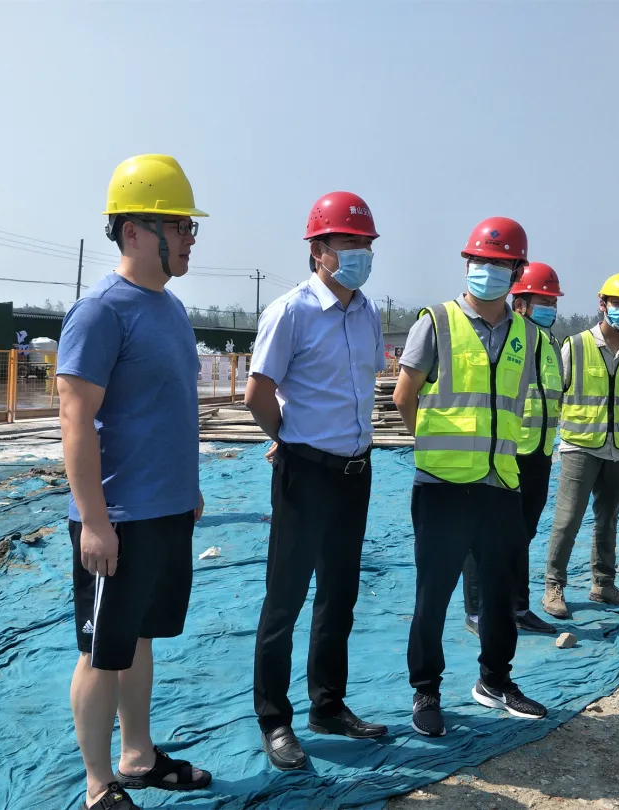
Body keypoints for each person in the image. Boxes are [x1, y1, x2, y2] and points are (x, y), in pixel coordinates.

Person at [57, 154, 211, 810]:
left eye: (190, 227)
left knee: (139, 637)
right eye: (179, 226)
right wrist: (94, 521)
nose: (189, 238)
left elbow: (169, 407)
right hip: (116, 518)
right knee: (101, 651)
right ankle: (100, 785)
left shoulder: (170, 310)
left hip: (165, 513)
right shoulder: (101, 312)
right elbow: (75, 418)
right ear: (134, 232)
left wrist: (187, 490)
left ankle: (138, 756)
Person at [246, 191, 388, 771]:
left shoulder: (368, 312)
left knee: (339, 594)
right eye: (348, 242)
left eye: (366, 244)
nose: (360, 253)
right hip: (305, 473)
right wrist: (287, 439)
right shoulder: (291, 312)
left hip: (355, 472)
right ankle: (274, 719)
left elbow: (362, 385)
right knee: (285, 597)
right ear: (318, 250)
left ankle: (328, 705)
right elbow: (258, 393)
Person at [393, 216, 549, 738]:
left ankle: (495, 681)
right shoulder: (436, 322)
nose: (490, 271)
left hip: (500, 483)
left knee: (500, 594)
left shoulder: (528, 336)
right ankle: (426, 691)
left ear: (517, 272)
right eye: (483, 262)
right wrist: (434, 448)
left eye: (502, 265)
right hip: (442, 485)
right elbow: (405, 396)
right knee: (433, 595)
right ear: (467, 263)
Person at [543, 271, 619, 620]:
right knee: (568, 519)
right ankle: (553, 585)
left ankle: (603, 584)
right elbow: (555, 394)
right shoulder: (575, 346)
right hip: (580, 447)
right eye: (617, 302)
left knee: (608, 520)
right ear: (602, 303)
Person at [459, 262, 565, 637]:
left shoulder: (550, 344)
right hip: (505, 453)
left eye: (553, 302)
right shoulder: (503, 340)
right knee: (483, 535)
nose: (550, 308)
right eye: (543, 301)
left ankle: (518, 607)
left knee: (521, 535)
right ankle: (477, 612)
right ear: (520, 303)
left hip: (539, 454)